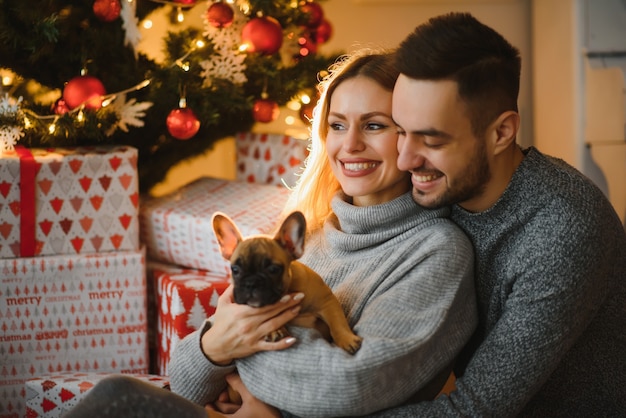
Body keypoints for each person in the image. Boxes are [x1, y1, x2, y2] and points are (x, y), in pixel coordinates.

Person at [62, 49, 477, 418]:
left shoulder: (435, 251)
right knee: (115, 393)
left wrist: (239, 358)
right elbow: (188, 383)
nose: (349, 144)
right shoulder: (308, 235)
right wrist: (212, 350)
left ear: (410, 137)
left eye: (373, 126)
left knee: (118, 398)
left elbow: (347, 387)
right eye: (336, 125)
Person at [367, 12, 626, 417]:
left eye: (431, 139)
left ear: (502, 133)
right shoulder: (438, 186)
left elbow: (474, 411)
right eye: (400, 130)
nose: (404, 159)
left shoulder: (564, 229)